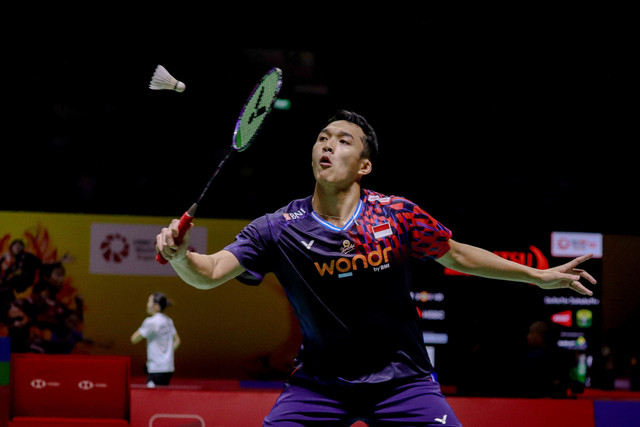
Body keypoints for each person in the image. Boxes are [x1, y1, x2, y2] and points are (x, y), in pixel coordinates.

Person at [156, 110, 596, 426]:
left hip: (403, 382)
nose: (328, 143)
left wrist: (539, 276)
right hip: (319, 385)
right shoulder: (277, 228)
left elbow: (457, 254)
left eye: (343, 139)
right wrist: (180, 256)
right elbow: (209, 272)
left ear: (364, 166)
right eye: (323, 137)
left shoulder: (396, 215)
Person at [130, 292, 181, 387]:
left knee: (152, 399)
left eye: (149, 302)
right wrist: (167, 354)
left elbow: (134, 339)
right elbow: (177, 341)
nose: (147, 305)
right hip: (168, 368)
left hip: (156, 369)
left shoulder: (151, 322)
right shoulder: (168, 320)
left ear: (156, 306)